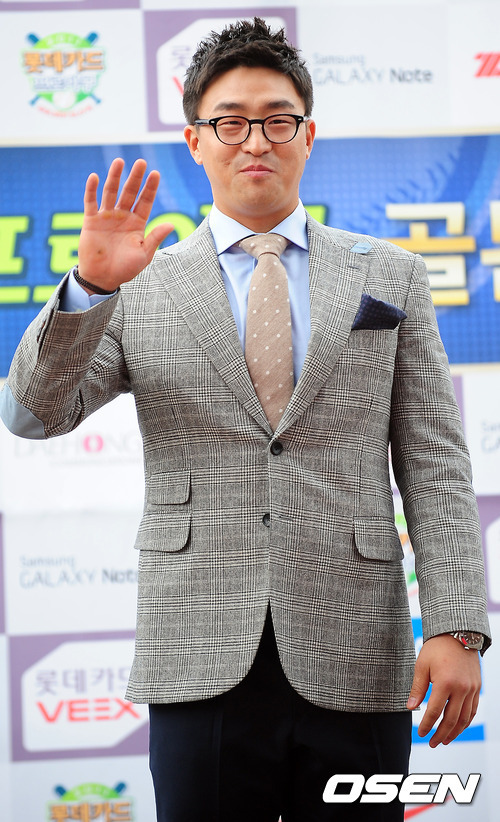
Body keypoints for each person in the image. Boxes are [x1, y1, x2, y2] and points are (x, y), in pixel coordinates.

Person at [0, 17, 491, 822]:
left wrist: (458, 626)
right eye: (230, 122)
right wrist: (90, 289)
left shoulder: (391, 274)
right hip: (197, 650)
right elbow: (30, 414)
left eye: (276, 120)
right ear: (195, 140)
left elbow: (435, 463)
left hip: (358, 647)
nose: (255, 140)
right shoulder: (139, 285)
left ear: (308, 136)